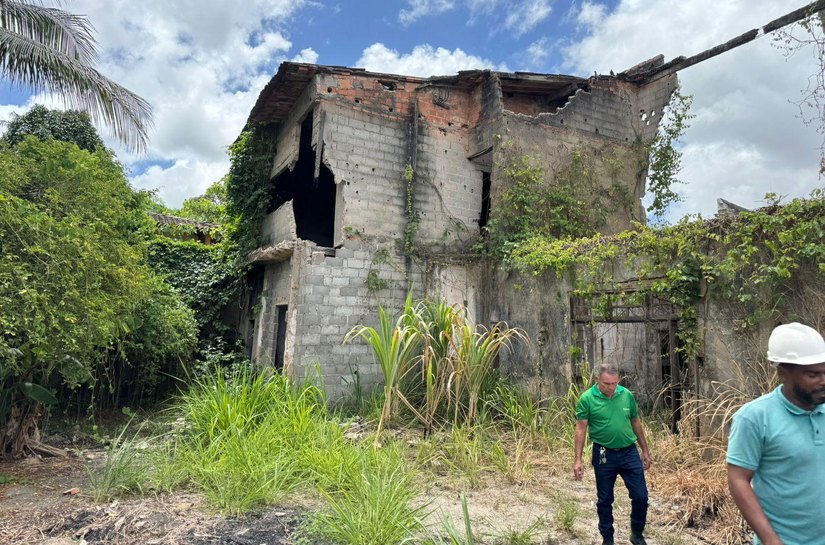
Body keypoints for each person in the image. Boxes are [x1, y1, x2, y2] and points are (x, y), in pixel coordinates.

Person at [727, 322, 825, 545]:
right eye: (813, 375)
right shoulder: (755, 417)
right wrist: (771, 540)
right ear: (783, 371)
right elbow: (738, 479)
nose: (824, 381)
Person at [574, 363, 652, 545]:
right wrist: (577, 460)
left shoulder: (626, 396)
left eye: (614, 383)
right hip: (602, 452)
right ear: (596, 380)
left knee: (641, 496)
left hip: (629, 451)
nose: (611, 387)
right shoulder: (587, 399)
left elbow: (635, 422)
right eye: (606, 384)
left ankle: (637, 534)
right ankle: (607, 538)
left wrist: (645, 450)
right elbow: (580, 429)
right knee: (605, 498)